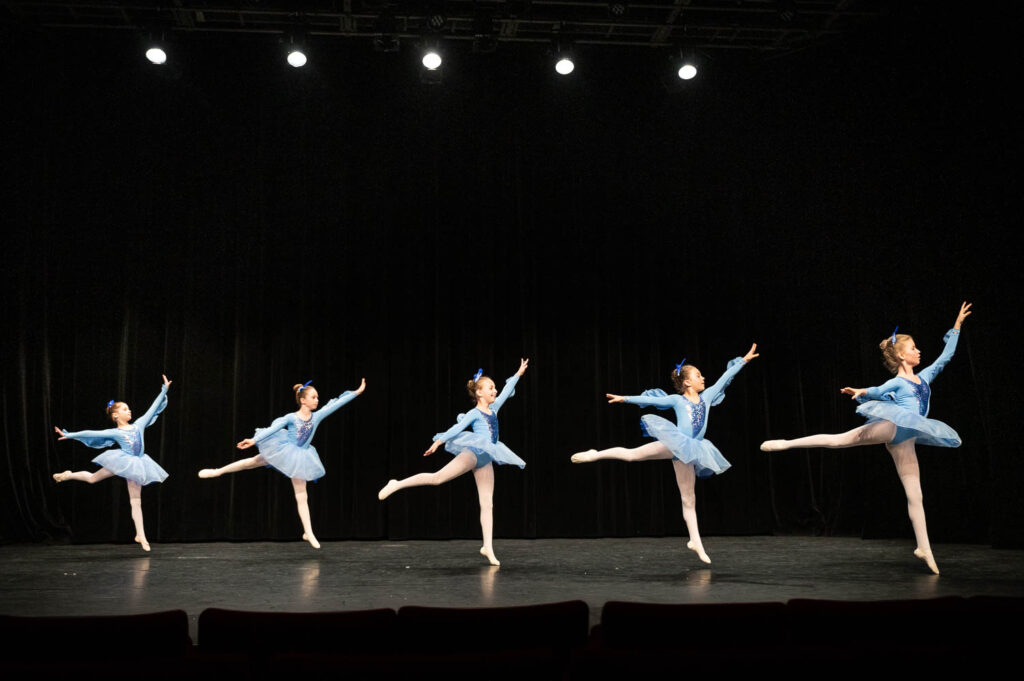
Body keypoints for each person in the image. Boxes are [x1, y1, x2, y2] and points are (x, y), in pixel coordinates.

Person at [760, 302, 972, 574]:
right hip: (891, 427)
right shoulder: (898, 382)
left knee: (915, 495)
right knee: (838, 441)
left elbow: (946, 357)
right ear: (902, 357)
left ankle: (924, 548)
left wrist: (956, 326)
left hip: (905, 440)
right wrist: (861, 391)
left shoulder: (925, 378)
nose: (918, 351)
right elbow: (878, 389)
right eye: (913, 348)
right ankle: (787, 443)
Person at [572, 345, 759, 564]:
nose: (703, 378)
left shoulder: (707, 397)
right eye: (698, 375)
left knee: (689, 499)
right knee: (633, 455)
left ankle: (695, 541)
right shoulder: (678, 400)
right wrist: (625, 398)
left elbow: (725, 377)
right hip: (676, 443)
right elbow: (652, 401)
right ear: (687, 382)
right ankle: (595, 454)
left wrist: (743, 361)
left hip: (692, 450)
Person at [378, 359, 529, 566]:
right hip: (473, 454)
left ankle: (488, 547)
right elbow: (456, 429)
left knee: (487, 504)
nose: (495, 391)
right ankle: (397, 483)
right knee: (437, 478)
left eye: (494, 388)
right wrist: (438, 441)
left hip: (486, 459)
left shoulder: (494, 410)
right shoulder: (474, 413)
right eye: (490, 388)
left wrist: (518, 374)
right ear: (479, 393)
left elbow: (506, 390)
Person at [198, 378, 365, 549]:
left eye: (317, 397)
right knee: (252, 462)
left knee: (301, 495)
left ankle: (308, 532)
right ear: (303, 400)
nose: (317, 400)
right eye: (314, 397)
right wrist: (254, 440)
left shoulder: (317, 416)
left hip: (300, 457)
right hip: (283, 450)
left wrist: (356, 392)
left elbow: (335, 405)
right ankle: (217, 472)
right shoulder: (291, 417)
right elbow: (273, 429)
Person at [52, 375, 173, 552]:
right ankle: (69, 475)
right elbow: (90, 433)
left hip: (137, 464)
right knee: (93, 479)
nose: (129, 411)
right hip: (122, 461)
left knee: (136, 501)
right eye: (125, 409)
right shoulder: (114, 432)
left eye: (129, 408)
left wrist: (163, 391)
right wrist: (71, 435)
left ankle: (141, 535)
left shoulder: (139, 424)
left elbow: (152, 408)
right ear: (116, 415)